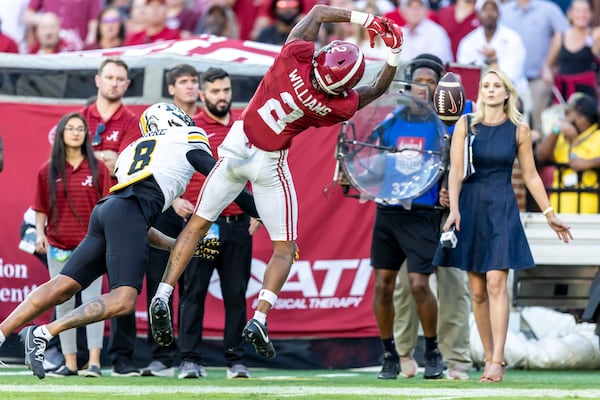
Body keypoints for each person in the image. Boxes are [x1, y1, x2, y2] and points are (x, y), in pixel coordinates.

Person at [148, 4, 403, 360]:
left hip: (235, 149)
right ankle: (260, 318)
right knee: (286, 248)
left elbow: (316, 13)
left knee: (198, 224)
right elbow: (375, 89)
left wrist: (366, 19)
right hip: (268, 164)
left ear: (322, 57)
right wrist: (393, 52)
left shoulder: (294, 56)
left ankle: (161, 294)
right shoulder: (332, 106)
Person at [0, 102, 259, 380]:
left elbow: (137, 225)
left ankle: (2, 332)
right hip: (128, 213)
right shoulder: (188, 137)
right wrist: (262, 211)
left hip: (107, 210)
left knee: (62, 285)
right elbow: (222, 180)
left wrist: (176, 246)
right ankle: (42, 333)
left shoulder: (130, 152)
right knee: (123, 300)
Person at [433, 68, 572, 383]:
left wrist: (550, 212)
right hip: (469, 207)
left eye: (497, 86)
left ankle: (497, 360)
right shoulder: (465, 126)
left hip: (502, 208)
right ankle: (487, 355)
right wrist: (454, 210)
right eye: (486, 86)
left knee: (496, 282)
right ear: (479, 91)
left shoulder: (519, 129)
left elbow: (532, 175)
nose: (491, 90)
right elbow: (455, 172)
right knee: (478, 290)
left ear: (508, 92)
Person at [367, 53, 469, 381]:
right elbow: (368, 159)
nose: (424, 87)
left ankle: (453, 360)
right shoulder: (393, 120)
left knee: (447, 285)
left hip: (443, 212)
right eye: (419, 81)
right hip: (399, 209)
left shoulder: (457, 117)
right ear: (408, 83)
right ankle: (400, 355)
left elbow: (466, 162)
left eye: (431, 82)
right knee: (397, 287)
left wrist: (449, 189)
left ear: (442, 86)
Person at [176, 66, 254, 379]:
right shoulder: (191, 128)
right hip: (202, 224)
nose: (221, 97)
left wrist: (258, 211)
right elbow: (172, 170)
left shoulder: (246, 126)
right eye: (215, 91)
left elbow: (260, 170)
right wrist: (173, 200)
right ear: (202, 94)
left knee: (236, 293)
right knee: (193, 293)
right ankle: (189, 360)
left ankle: (236, 360)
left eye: (225, 90)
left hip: (238, 221)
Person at [32, 112, 111, 378]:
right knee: (63, 305)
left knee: (94, 304)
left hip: (92, 247)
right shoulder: (47, 170)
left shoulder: (98, 168)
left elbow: (109, 205)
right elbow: (40, 207)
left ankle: (95, 363)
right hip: (58, 247)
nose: (76, 132)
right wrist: (40, 234)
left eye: (80, 128)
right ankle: (70, 364)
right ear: (62, 134)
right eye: (71, 128)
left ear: (87, 135)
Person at [80, 57, 141, 377]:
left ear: (127, 85)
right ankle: (73, 357)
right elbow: (66, 162)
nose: (114, 83)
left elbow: (126, 166)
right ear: (97, 80)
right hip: (80, 209)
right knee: (73, 284)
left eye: (120, 79)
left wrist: (93, 156)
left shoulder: (133, 122)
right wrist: (105, 157)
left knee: (123, 284)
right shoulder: (79, 117)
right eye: (109, 77)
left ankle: (121, 359)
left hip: (120, 208)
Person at [500, 0, 569, 134]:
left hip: (538, 78)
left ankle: (538, 153)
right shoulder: (504, 10)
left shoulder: (549, 9)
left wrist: (548, 65)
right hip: (509, 80)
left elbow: (562, 34)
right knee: (508, 122)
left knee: (539, 124)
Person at [457, 0, 530, 124]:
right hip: (476, 94)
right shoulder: (468, 41)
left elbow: (512, 75)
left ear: (499, 13)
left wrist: (494, 61)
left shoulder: (513, 38)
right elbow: (465, 73)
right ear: (478, 14)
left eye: (493, 9)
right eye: (485, 10)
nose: (489, 14)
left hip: (511, 93)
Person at [535, 92, 600, 214]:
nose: (564, 118)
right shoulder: (561, 138)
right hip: (559, 216)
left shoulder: (598, 136)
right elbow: (541, 156)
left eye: (568, 114)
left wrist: (589, 163)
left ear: (581, 118)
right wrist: (556, 128)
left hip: (590, 219)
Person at [542, 0, 600, 101]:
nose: (581, 15)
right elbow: (548, 64)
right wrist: (547, 73)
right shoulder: (560, 37)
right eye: (577, 10)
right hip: (563, 91)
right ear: (570, 13)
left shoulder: (595, 35)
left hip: (587, 93)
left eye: (586, 11)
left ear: (591, 14)